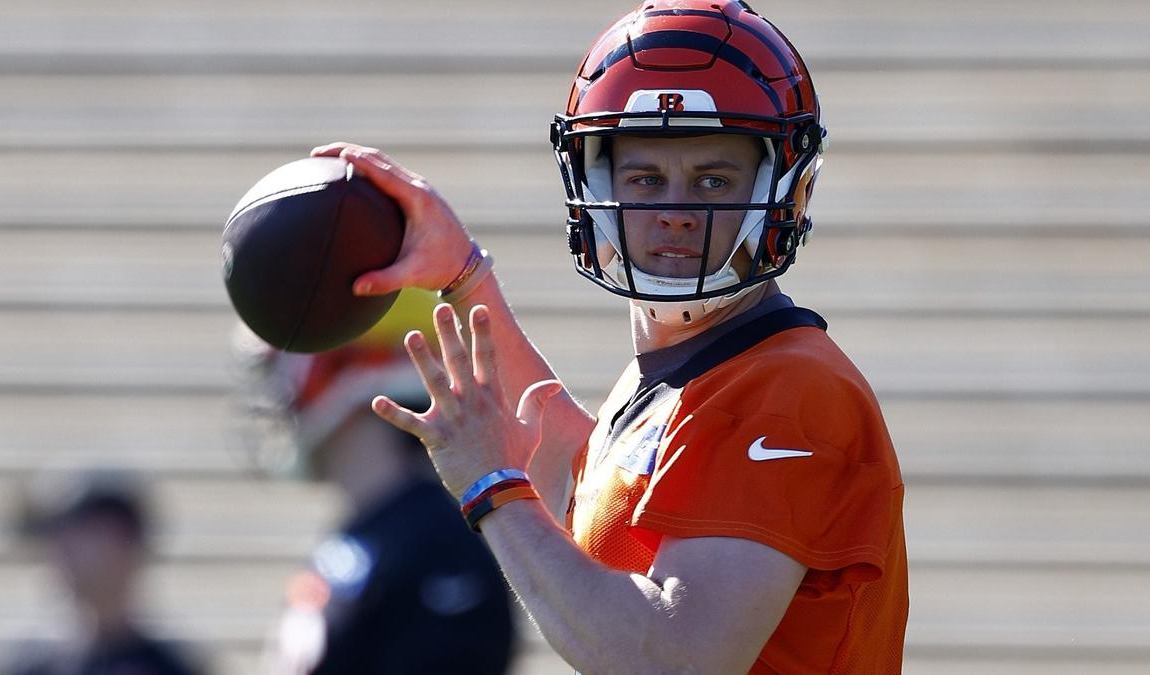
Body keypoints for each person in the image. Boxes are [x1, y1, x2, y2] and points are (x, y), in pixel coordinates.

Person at [309, 1, 908, 672]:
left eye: (712, 179)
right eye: (646, 179)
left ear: (778, 189)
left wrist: (489, 486)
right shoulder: (681, 375)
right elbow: (567, 468)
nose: (677, 213)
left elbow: (674, 660)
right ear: (594, 185)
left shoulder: (789, 390)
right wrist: (463, 274)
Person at [235, 295, 516, 675]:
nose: (278, 392)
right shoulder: (366, 534)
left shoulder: (437, 546)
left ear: (347, 364)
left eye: (281, 365)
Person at [0, 470, 206, 675]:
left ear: (124, 543)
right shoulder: (26, 663)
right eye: (56, 538)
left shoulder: (174, 665)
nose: (59, 554)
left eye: (76, 537)